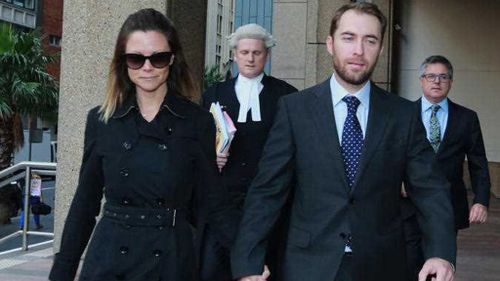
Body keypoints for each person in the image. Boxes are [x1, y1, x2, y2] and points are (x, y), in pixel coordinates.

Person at [230, 3, 456, 281]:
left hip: (382, 265)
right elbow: (267, 191)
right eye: (348, 38)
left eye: (369, 40)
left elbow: (430, 188)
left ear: (381, 48)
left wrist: (441, 253)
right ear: (330, 44)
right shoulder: (295, 109)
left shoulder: (402, 115)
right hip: (307, 265)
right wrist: (247, 262)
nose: (358, 50)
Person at [49, 8, 235, 281]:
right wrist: (62, 272)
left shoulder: (196, 122)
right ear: (123, 62)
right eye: (136, 59)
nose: (147, 67)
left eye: (158, 58)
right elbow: (85, 203)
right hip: (110, 259)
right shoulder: (103, 121)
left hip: (170, 260)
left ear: (172, 60)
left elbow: (214, 202)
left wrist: (247, 259)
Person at [201, 23, 297, 281]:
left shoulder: (286, 95)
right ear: (234, 55)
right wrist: (212, 155)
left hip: (270, 200)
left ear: (266, 55)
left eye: (257, 52)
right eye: (244, 52)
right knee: (213, 268)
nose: (251, 58)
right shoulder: (213, 94)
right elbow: (198, 145)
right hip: (224, 200)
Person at [403, 55, 491, 280]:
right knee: (409, 261)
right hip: (407, 203)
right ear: (421, 80)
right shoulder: (402, 114)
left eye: (443, 77)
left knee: (440, 265)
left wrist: (481, 200)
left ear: (451, 82)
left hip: (447, 206)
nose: (437, 81)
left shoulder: (467, 118)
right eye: (431, 76)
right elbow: (388, 156)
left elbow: (478, 163)